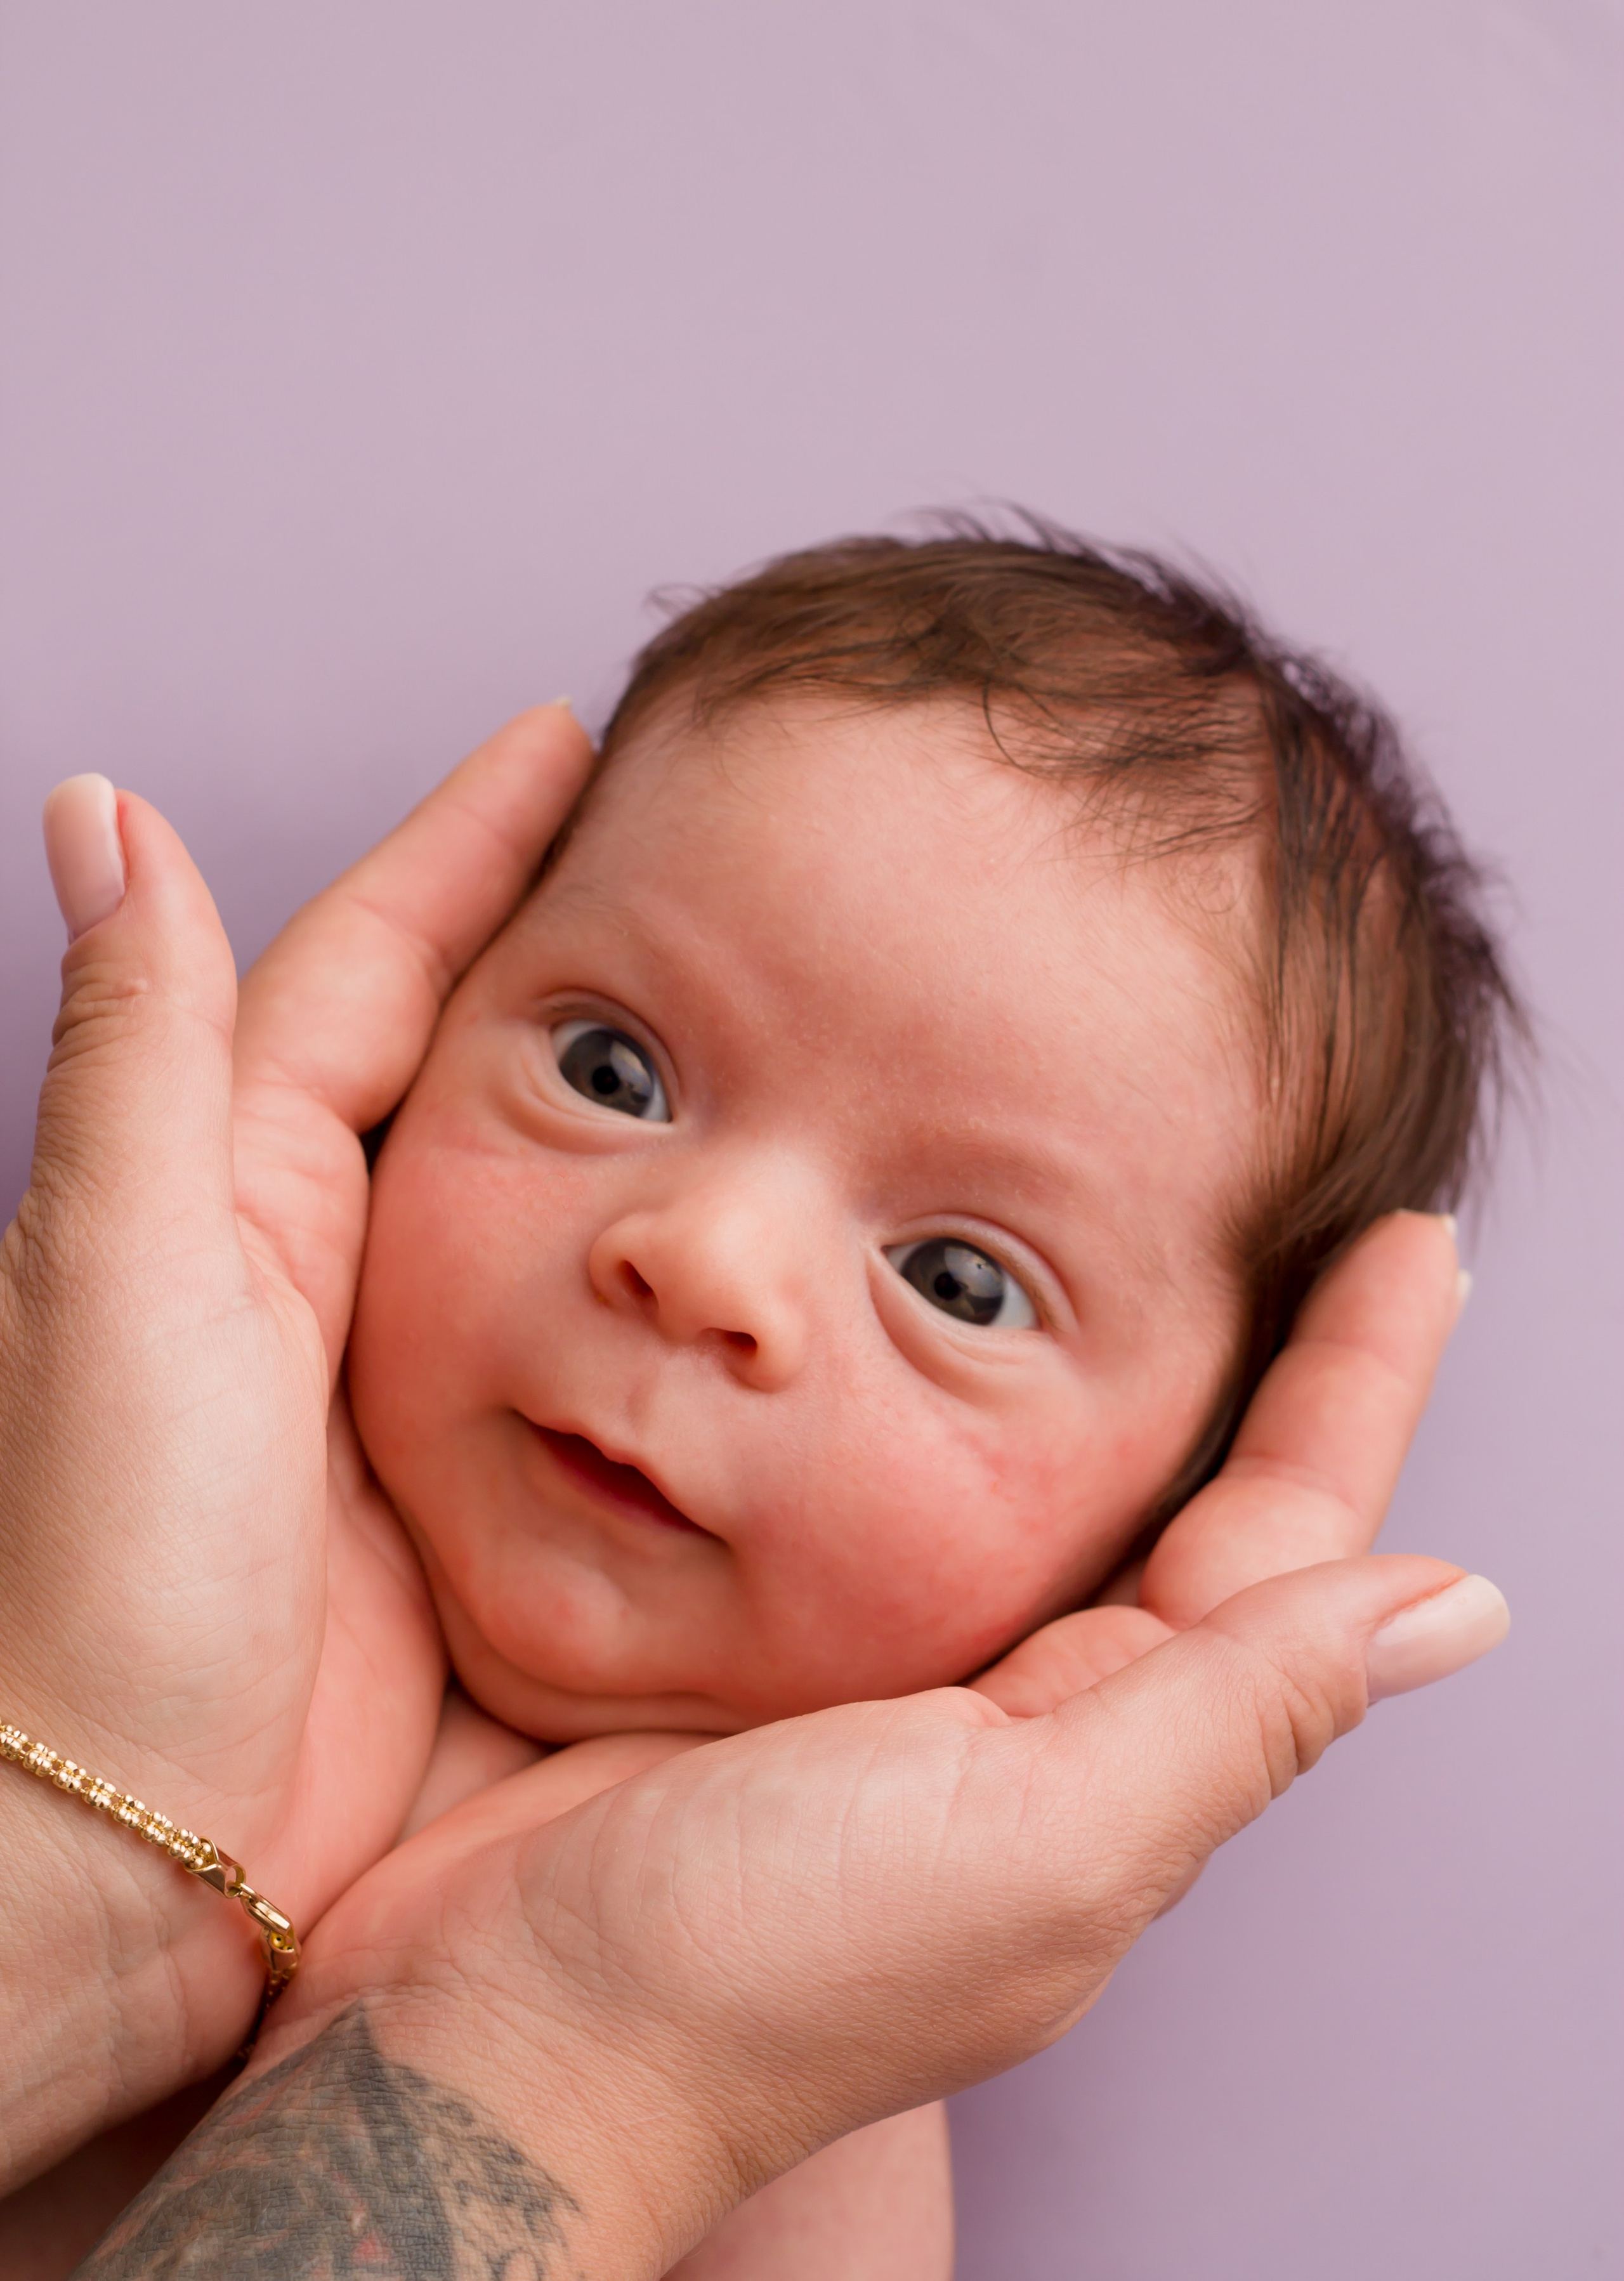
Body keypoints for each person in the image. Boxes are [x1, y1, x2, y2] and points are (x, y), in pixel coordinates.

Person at [0, 674, 1507, 2279]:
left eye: (957, 1281)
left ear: (1159, 1518)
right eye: (611, 1071)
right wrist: (77, 1822)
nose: (704, 1257)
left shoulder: (808, 2053)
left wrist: (604, 2049)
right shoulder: (64, 1551)